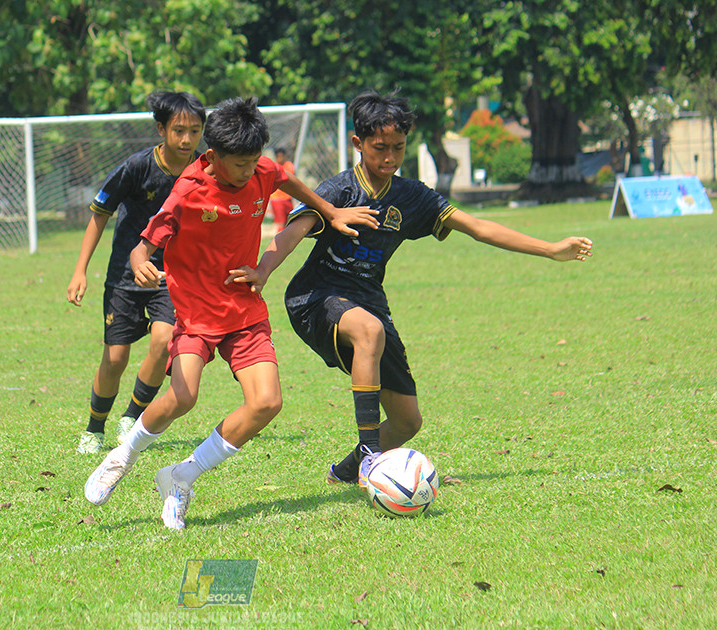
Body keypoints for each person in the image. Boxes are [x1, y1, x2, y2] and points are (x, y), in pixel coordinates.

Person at [243, 89, 593, 488]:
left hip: (368, 300)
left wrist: (550, 249)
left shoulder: (412, 197)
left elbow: (478, 228)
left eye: (398, 147)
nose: (389, 157)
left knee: (408, 421)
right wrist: (264, 269)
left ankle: (344, 473)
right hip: (315, 297)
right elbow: (294, 230)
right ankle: (372, 457)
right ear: (358, 144)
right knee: (368, 331)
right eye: (379, 148)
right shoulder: (339, 190)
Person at [83, 97, 378, 529]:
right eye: (239, 164)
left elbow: (292, 185)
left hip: (244, 307)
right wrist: (140, 264)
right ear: (214, 155)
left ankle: (181, 478)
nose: (248, 172)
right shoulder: (188, 190)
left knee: (267, 402)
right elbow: (143, 246)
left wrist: (331, 213)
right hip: (195, 312)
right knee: (183, 397)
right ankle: (122, 455)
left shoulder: (263, 170)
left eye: (253, 161)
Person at [67, 91, 207, 454]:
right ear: (161, 129)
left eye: (195, 130)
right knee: (115, 357)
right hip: (124, 278)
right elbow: (100, 213)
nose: (187, 139)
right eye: (179, 130)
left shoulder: (205, 171)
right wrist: (80, 271)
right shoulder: (136, 167)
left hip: (170, 276)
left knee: (164, 341)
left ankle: (132, 416)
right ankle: (94, 428)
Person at [269, 148, 295, 232]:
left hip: (287, 198)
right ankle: (279, 240)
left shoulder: (289, 166)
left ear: (285, 156)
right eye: (278, 157)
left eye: (282, 156)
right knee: (280, 223)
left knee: (290, 221)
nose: (280, 159)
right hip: (277, 199)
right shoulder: (274, 167)